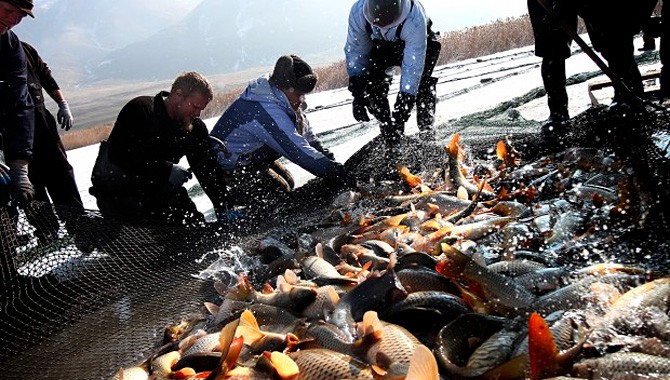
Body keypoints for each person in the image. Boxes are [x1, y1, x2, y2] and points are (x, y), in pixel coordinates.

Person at [209, 54, 352, 218]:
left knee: (288, 181)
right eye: (299, 93)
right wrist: (335, 173)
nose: (301, 99)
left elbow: (308, 138)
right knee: (279, 194)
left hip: (252, 157)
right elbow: (298, 151)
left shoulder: (283, 98)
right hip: (228, 170)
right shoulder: (265, 109)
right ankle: (234, 210)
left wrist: (332, 163)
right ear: (286, 88)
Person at [89, 71, 226, 227]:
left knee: (195, 226)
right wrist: (166, 169)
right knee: (138, 235)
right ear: (178, 94)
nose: (198, 113)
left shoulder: (194, 128)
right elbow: (119, 156)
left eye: (201, 109)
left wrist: (223, 206)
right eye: (194, 106)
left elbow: (206, 168)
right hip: (119, 191)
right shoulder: (141, 110)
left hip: (158, 188)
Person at [344, 0, 441, 145]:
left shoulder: (414, 19)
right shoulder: (358, 13)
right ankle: (388, 133)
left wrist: (402, 112)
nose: (383, 26)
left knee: (422, 85)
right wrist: (358, 93)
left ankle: (427, 133)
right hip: (380, 44)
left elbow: (412, 70)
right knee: (373, 88)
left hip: (421, 42)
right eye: (378, 22)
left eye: (386, 21)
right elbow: (356, 52)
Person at [20, 40, 85, 244]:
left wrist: (62, 103)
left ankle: (79, 226)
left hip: (41, 123)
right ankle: (46, 230)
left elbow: (45, 76)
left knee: (61, 173)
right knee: (30, 182)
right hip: (13, 131)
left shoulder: (23, 48)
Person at [1, 0, 35, 287]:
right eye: (6, 9)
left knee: (5, 197)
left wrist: (19, 164)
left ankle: (8, 279)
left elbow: (20, 106)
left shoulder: (11, 46)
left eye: (20, 16)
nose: (12, 20)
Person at [527, 0, 578, 142]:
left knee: (554, 59)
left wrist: (560, 6)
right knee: (550, 61)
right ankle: (557, 113)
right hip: (543, 8)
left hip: (556, 8)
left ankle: (559, 115)